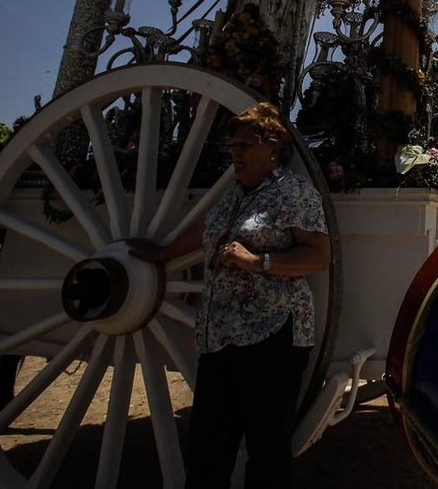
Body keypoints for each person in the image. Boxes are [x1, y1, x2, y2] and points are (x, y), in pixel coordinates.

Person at [131, 102, 330, 488]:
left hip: (272, 334)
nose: (236, 153)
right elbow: (207, 232)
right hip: (219, 335)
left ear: (273, 150)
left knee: (266, 450)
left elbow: (319, 255)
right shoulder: (235, 195)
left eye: (245, 146)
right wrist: (161, 254)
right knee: (207, 449)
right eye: (234, 145)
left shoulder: (293, 193)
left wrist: (257, 261)